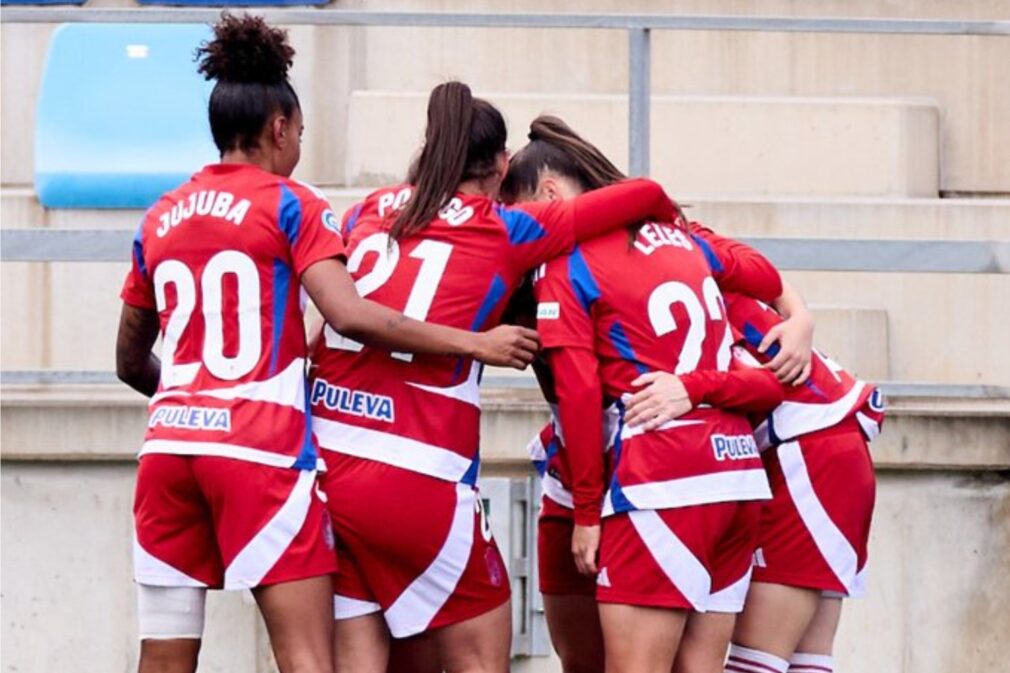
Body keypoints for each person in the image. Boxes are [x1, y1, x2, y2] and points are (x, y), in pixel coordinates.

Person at [115, 20, 537, 673]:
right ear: (281, 127)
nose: (300, 149)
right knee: (309, 656)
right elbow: (348, 313)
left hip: (167, 449)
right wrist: (474, 342)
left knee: (164, 655)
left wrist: (190, 402)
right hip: (261, 452)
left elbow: (128, 358)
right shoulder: (294, 204)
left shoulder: (159, 214)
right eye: (302, 135)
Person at [309, 81, 683, 673]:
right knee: (482, 659)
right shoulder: (506, 227)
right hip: (417, 470)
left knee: (362, 656)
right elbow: (648, 193)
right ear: (502, 164)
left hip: (325, 461)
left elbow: (334, 319)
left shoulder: (366, 209)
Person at [500, 115, 814, 673]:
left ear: (549, 194)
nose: (512, 233)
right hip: (734, 475)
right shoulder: (684, 238)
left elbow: (576, 388)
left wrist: (590, 512)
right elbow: (761, 275)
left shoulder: (566, 261)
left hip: (658, 475)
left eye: (516, 211)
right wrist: (799, 314)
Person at [629, 292, 884, 673]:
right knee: (805, 657)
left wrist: (693, 388)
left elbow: (762, 383)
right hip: (829, 443)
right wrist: (799, 311)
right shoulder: (700, 256)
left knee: (757, 660)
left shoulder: (673, 265)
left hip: (807, 448)